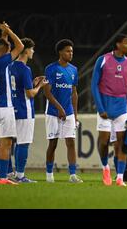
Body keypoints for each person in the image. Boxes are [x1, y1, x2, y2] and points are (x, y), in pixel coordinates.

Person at [91, 34, 127, 187]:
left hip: (121, 110)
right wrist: (100, 108)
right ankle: (105, 168)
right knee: (104, 143)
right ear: (118, 44)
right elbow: (94, 85)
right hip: (105, 108)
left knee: (121, 145)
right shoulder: (103, 60)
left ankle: (119, 177)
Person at [0, 22, 24, 185]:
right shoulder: (3, 62)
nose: (10, 52)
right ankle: (3, 178)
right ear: (3, 52)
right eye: (8, 50)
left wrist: (4, 36)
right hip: (4, 108)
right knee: (6, 144)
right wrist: (9, 30)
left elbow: (2, 46)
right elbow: (20, 46)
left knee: (2, 143)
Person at [44, 39, 82, 183]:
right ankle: (49, 175)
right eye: (67, 51)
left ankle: (72, 175)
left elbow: (74, 93)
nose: (70, 53)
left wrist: (75, 115)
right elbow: (47, 92)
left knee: (71, 143)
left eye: (71, 51)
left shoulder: (74, 70)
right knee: (52, 144)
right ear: (60, 52)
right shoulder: (51, 69)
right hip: (53, 112)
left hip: (69, 112)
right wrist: (59, 108)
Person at [9, 38, 47, 182]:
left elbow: (19, 88)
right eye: (32, 48)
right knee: (23, 143)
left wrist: (32, 83)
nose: (33, 51)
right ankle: (20, 175)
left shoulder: (10, 66)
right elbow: (30, 94)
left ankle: (11, 173)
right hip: (24, 110)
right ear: (25, 50)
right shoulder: (25, 68)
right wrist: (40, 86)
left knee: (13, 142)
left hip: (12, 108)